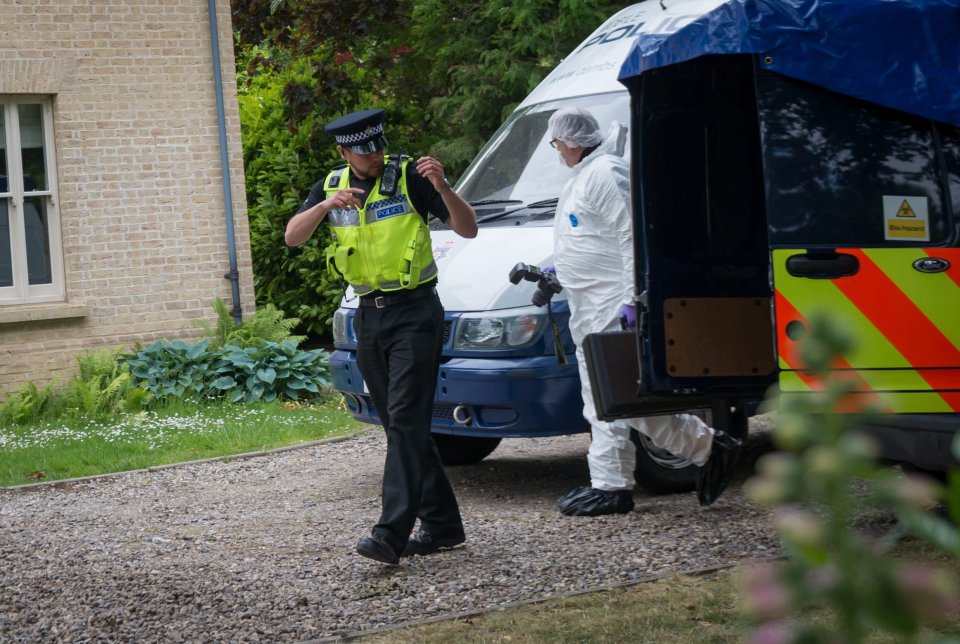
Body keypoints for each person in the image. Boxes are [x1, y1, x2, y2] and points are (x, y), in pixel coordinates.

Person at [286, 108, 478, 564]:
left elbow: (468, 228)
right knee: (399, 424)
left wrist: (445, 187)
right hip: (368, 317)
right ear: (343, 152)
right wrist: (324, 207)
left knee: (407, 420)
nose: (375, 154)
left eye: (378, 145)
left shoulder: (411, 176)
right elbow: (293, 237)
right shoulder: (332, 187)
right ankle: (444, 526)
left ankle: (390, 534)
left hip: (415, 312)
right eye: (364, 148)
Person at [546, 107, 741, 516]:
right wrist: (554, 269)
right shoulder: (583, 177)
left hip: (611, 305)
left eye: (557, 143)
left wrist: (632, 298)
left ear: (572, 141)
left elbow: (632, 235)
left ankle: (709, 446)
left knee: (622, 397)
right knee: (599, 400)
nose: (557, 151)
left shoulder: (604, 173)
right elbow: (587, 238)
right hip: (589, 305)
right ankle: (610, 484)